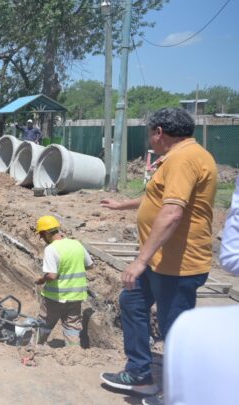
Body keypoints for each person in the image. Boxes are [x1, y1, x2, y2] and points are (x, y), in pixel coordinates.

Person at [98, 107, 217, 397]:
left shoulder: (184, 159)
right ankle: (140, 373)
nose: (150, 139)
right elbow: (158, 197)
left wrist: (140, 260)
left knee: (173, 328)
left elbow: (173, 212)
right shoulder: (181, 157)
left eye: (151, 133)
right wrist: (122, 205)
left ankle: (185, 392)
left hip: (178, 264)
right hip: (160, 261)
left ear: (159, 132)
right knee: (132, 301)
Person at [148, 177, 239, 405]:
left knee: (174, 321)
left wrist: (142, 259)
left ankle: (166, 387)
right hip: (182, 266)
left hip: (181, 268)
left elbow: (231, 257)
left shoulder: (200, 330)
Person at [33, 215, 92, 347]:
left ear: (46, 233)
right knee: (72, 327)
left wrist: (41, 280)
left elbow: (52, 275)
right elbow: (89, 265)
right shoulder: (76, 244)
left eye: (41, 235)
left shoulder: (51, 249)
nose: (42, 239)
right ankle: (73, 353)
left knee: (45, 323)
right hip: (76, 296)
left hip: (55, 297)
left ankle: (34, 348)